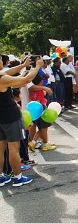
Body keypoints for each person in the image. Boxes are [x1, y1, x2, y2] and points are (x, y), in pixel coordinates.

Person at [0, 57, 43, 187]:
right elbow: (26, 80)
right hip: (10, 117)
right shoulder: (2, 79)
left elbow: (10, 71)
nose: (2, 61)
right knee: (14, 148)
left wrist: (23, 65)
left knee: (0, 148)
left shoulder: (3, 75)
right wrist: (37, 66)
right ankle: (18, 177)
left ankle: (1, 177)